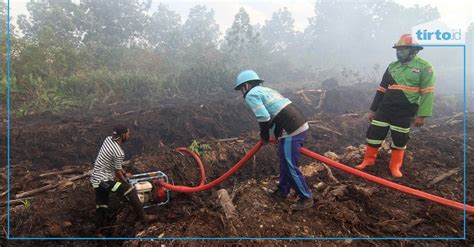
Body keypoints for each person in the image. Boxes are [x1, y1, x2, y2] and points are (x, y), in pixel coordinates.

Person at [355, 34, 435, 177]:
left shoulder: (424, 68)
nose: (399, 53)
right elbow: (381, 89)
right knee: (374, 133)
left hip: (406, 110)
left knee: (400, 138)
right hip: (385, 108)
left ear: (414, 51)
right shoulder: (392, 67)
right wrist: (373, 109)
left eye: (403, 50)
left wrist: (422, 115)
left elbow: (427, 92)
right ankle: (368, 161)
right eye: (398, 50)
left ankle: (395, 166)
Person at [234, 70, 313, 210]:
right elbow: (274, 112)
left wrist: (264, 137)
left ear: (247, 85)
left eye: (241, 88)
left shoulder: (251, 94)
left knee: (289, 165)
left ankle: (306, 197)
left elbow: (264, 117)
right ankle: (282, 191)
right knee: (284, 162)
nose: (242, 92)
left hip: (291, 130)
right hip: (296, 123)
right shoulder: (265, 90)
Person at [90, 125, 158, 231]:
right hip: (103, 181)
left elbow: (116, 165)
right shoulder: (119, 152)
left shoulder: (107, 140)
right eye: (128, 133)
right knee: (129, 190)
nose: (129, 135)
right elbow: (117, 171)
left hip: (95, 179)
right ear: (123, 135)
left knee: (102, 205)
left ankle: (99, 229)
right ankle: (144, 217)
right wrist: (126, 181)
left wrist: (125, 173)